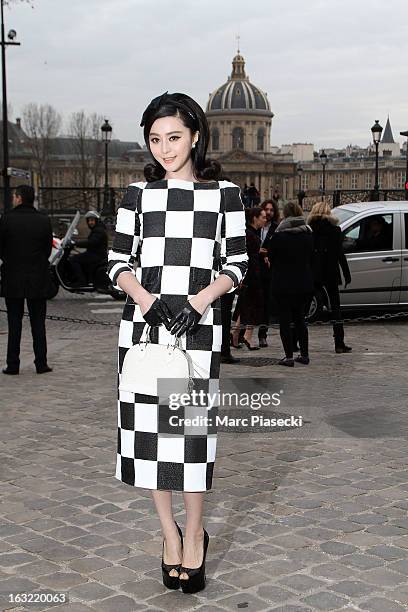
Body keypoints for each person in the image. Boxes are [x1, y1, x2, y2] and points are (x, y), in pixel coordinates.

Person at [107, 91, 248, 594]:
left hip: (197, 331)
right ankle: (169, 535)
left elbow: (237, 264)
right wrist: (146, 300)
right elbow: (116, 261)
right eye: (154, 139)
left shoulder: (225, 195)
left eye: (173, 137)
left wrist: (200, 300)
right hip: (144, 331)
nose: (164, 149)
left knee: (189, 442)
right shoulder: (135, 195)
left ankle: (195, 538)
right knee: (148, 442)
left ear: (195, 136)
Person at [0, 185, 53, 374]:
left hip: (13, 277)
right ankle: (41, 363)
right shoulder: (44, 221)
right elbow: (47, 250)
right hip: (37, 278)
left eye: (14, 196)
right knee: (38, 323)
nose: (13, 199)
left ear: (19, 198)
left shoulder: (6, 220)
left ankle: (12, 364)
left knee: (14, 324)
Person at [268, 201, 314, 367]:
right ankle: (305, 354)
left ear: (285, 216)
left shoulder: (279, 236)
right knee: (301, 319)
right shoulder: (308, 235)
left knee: (285, 321)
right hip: (303, 283)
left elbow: (271, 257)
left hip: (283, 284)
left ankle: (288, 356)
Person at [308, 202, 352, 353]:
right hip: (330, 273)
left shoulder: (310, 230)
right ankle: (339, 343)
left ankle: (295, 342)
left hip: (313, 273)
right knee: (336, 309)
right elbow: (340, 254)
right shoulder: (335, 230)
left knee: (304, 308)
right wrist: (346, 274)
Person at [231, 207, 266, 350]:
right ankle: (248, 337)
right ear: (255, 218)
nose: (265, 219)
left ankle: (235, 333)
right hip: (251, 275)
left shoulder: (249, 233)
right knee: (253, 306)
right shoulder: (250, 235)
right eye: (262, 217)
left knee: (244, 305)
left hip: (248, 274)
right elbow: (249, 257)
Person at [258, 199, 280, 347]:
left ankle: (262, 335)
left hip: (267, 270)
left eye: (272, 210)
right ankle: (239, 334)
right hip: (254, 268)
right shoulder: (255, 226)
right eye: (267, 209)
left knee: (265, 303)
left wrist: (268, 254)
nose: (269, 212)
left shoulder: (276, 229)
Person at [70, 210, 108, 287]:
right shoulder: (97, 229)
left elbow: (91, 242)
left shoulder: (98, 230)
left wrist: (75, 243)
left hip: (97, 255)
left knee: (74, 259)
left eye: (92, 220)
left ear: (96, 221)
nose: (90, 222)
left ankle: (81, 281)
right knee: (77, 257)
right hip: (95, 253)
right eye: (89, 220)